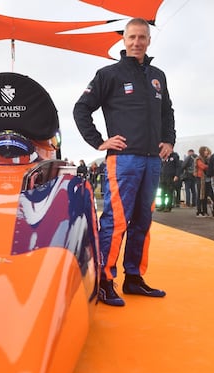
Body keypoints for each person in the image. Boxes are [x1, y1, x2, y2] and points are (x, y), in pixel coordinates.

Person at [73, 17, 175, 307]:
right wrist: (99, 142)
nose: (136, 42)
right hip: (123, 160)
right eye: (131, 37)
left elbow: (167, 111)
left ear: (149, 40)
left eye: (142, 37)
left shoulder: (158, 76)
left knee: (143, 221)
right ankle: (105, 281)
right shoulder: (109, 74)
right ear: (124, 40)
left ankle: (134, 278)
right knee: (116, 221)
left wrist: (169, 140)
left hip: (152, 160)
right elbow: (81, 109)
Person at [194, 146, 211, 217]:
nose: (206, 152)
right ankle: (199, 211)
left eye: (207, 150)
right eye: (205, 151)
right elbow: (202, 166)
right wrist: (209, 166)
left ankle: (205, 211)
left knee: (205, 195)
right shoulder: (198, 159)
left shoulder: (208, 159)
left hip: (207, 179)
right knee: (200, 196)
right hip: (201, 178)